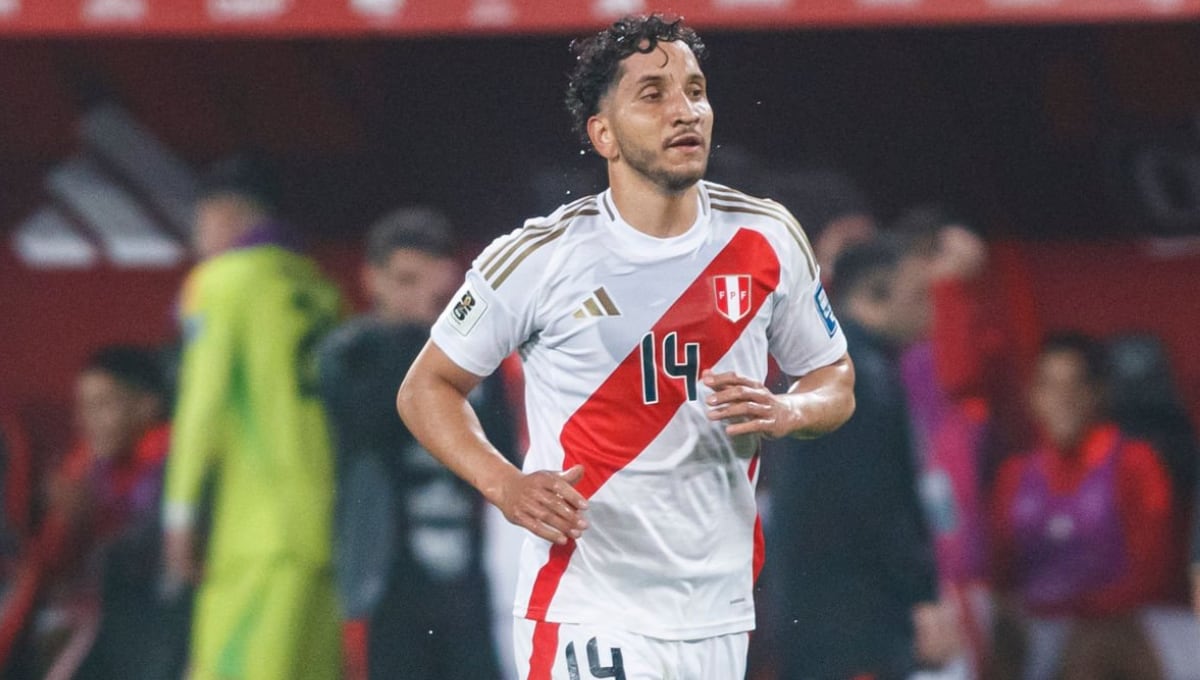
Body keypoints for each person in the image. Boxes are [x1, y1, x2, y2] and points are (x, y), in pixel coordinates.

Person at [396, 14, 856, 679]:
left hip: (716, 606)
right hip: (589, 599)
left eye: (696, 91)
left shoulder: (767, 238)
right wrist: (504, 484)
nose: (685, 111)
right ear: (603, 134)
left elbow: (834, 377)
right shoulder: (542, 258)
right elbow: (425, 388)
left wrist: (791, 410)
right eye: (653, 94)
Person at [162, 157, 343, 680]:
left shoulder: (222, 281)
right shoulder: (321, 288)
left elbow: (203, 404)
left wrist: (179, 514)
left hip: (257, 537)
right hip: (323, 530)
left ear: (226, 214)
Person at [317, 207, 514, 680]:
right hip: (381, 583)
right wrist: (433, 343)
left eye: (437, 287)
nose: (424, 297)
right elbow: (367, 424)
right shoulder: (349, 351)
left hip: (472, 587)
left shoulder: (480, 358)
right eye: (407, 281)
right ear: (372, 279)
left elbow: (506, 448)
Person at [763, 240, 950, 680]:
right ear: (876, 293)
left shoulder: (820, 367)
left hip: (811, 612)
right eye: (919, 296)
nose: (930, 311)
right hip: (857, 621)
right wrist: (920, 596)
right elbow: (877, 502)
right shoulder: (863, 379)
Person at [989, 333, 1178, 680]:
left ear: (1097, 393)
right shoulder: (1015, 476)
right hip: (1039, 631)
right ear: (1033, 397)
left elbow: (1152, 568)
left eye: (1074, 386)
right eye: (1050, 387)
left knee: (1094, 645)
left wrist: (1081, 614)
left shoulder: (1134, 463)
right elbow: (1001, 572)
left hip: (1119, 630)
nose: (1063, 400)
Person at [6, 346, 179, 680]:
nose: (86, 420)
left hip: (152, 625)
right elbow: (49, 563)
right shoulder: (93, 462)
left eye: (102, 405)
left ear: (147, 406)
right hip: (91, 614)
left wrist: (92, 519)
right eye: (83, 407)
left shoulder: (166, 459)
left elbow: (150, 559)